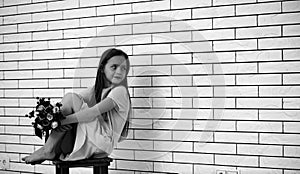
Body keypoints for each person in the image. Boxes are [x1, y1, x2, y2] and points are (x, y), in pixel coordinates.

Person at [22, 48, 131, 164]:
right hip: (98, 142)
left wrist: (59, 122)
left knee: (70, 100)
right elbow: (67, 106)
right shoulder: (97, 90)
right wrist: (49, 117)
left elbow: (91, 113)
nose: (120, 71)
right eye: (114, 67)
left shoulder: (120, 91)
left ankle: (47, 149)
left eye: (124, 68)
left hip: (104, 141)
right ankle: (50, 149)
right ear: (102, 69)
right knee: (69, 101)